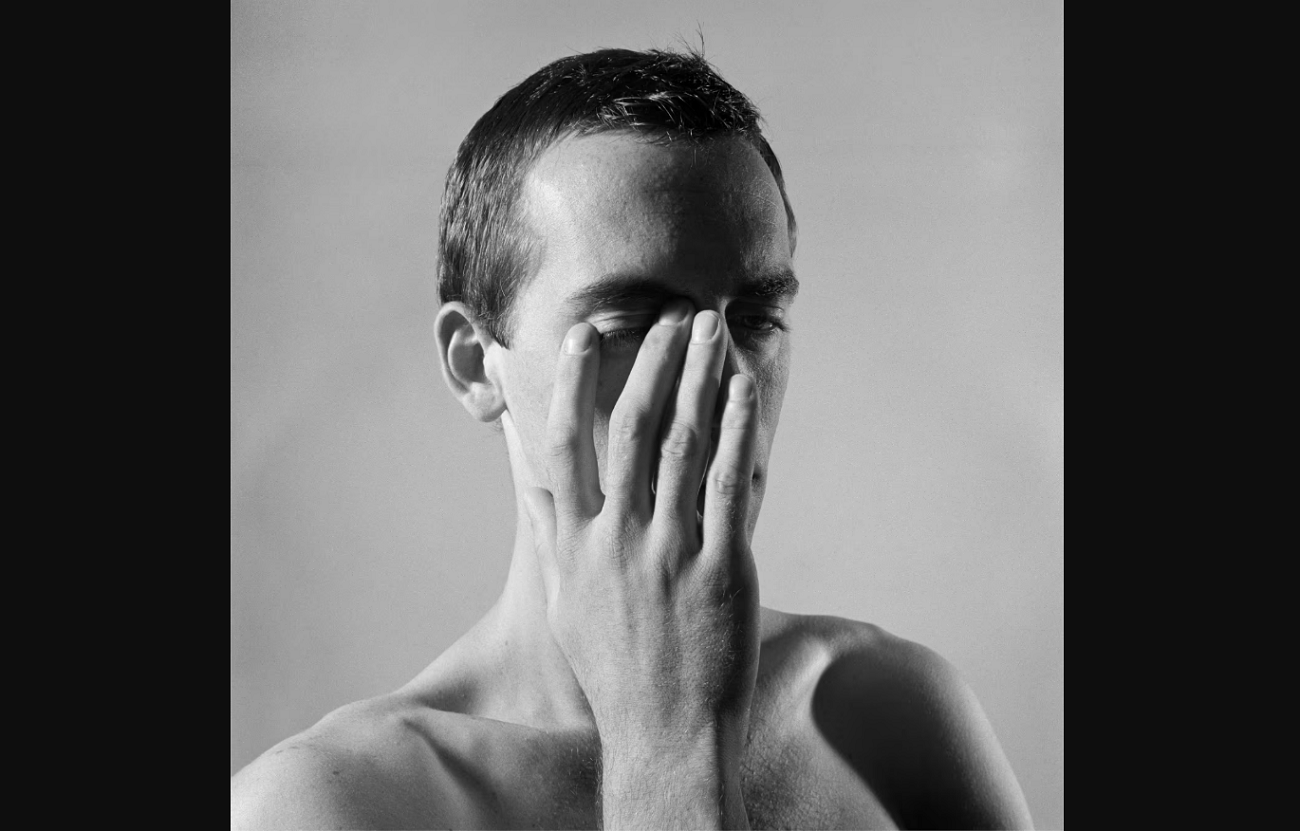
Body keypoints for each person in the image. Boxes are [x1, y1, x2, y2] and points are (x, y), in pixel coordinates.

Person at [231, 48, 1033, 830]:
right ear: (477, 364)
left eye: (754, 319)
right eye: (632, 322)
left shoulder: (890, 715)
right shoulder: (333, 803)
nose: (720, 380)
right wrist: (670, 749)